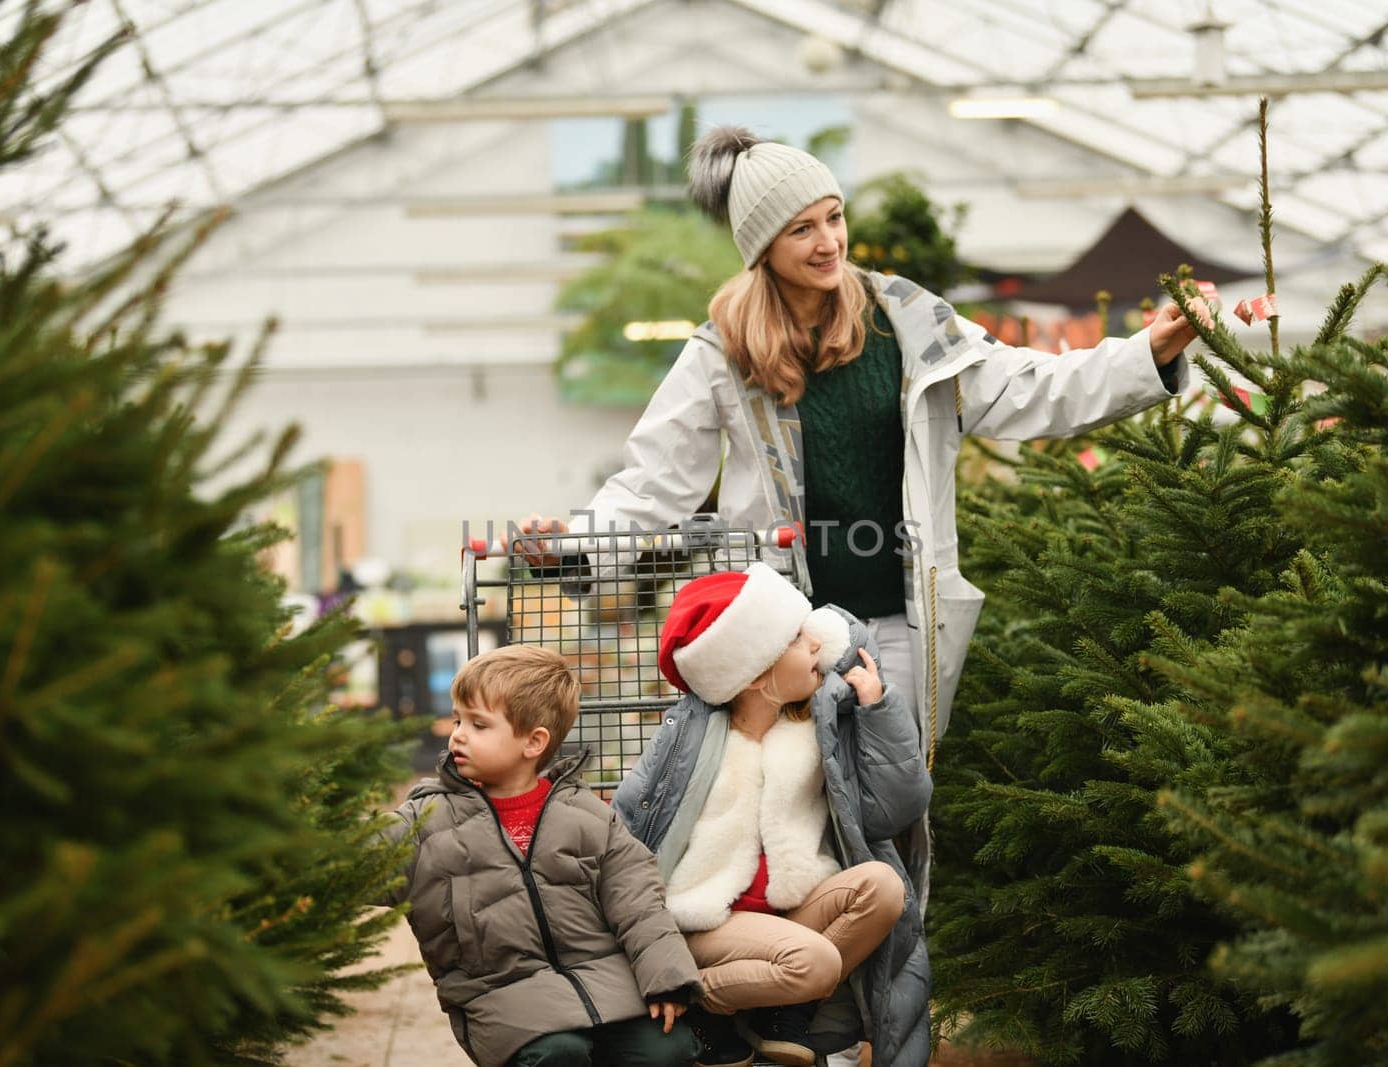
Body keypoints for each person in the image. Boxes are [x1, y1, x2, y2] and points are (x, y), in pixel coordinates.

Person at [511, 124, 1211, 909]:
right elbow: (654, 482)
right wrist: (573, 548)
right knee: (790, 815)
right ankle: (813, 1011)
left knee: (889, 810)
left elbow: (1025, 387)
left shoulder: (907, 321)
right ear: (762, 247)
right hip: (785, 631)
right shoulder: (722, 349)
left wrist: (1145, 353)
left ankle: (880, 1010)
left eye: (833, 216)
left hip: (903, 621)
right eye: (800, 228)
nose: (826, 241)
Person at [612, 563, 933, 1067]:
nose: (816, 648)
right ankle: (707, 1002)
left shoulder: (817, 729)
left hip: (791, 911)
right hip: (706, 921)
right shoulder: (688, 744)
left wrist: (877, 711)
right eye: (797, 640)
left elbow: (893, 811)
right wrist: (656, 962)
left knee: (884, 887)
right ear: (756, 673)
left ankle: (778, 1013)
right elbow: (629, 834)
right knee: (816, 961)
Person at [374, 644, 703, 1067]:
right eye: (458, 720)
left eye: (478, 724)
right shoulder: (428, 820)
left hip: (606, 986)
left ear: (533, 742)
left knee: (668, 1050)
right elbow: (359, 859)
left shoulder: (586, 816)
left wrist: (667, 980)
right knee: (556, 1055)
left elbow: (639, 904)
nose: (457, 734)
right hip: (505, 997)